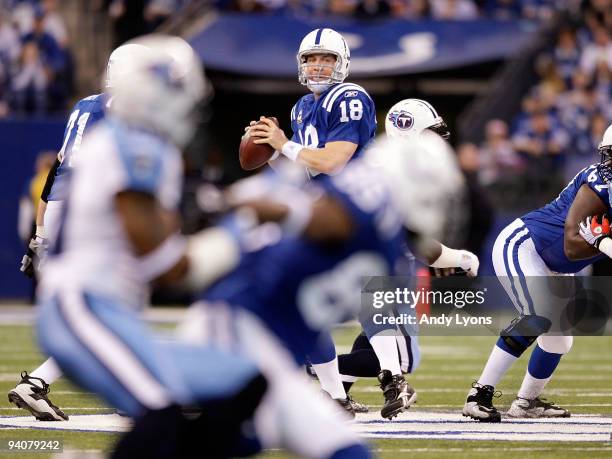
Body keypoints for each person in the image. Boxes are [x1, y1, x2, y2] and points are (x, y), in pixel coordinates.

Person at [181, 131, 464, 456]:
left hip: (277, 348)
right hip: (239, 329)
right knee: (202, 433)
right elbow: (320, 218)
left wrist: (460, 260)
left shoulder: (391, 234)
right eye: (433, 196)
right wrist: (243, 208)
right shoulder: (370, 200)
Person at [11, 42, 148, 422]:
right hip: (86, 212)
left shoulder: (83, 105)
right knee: (113, 308)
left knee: (99, 311)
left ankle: (39, 383)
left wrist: (40, 231)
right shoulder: (125, 109)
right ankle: (118, 392)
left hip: (59, 210)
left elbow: (56, 171)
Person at [246, 27, 378, 413]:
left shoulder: (349, 97)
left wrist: (283, 142)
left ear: (343, 64)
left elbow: (333, 162)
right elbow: (303, 169)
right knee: (300, 303)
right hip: (323, 215)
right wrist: (270, 149)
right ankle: (336, 395)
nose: (318, 66)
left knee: (399, 347)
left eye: (327, 59)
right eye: (311, 59)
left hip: (356, 216)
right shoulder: (302, 107)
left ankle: (384, 376)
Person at [335, 98, 478, 418]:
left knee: (377, 341)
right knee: (403, 359)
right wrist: (460, 257)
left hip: (370, 263)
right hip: (363, 262)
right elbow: (416, 243)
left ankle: (339, 389)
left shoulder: (390, 163)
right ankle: (310, 364)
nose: (438, 139)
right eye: (430, 131)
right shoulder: (390, 168)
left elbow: (412, 239)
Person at [463, 122, 612, 422]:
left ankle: (525, 403)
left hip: (555, 263)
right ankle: (478, 395)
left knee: (559, 340)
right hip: (525, 245)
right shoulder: (600, 183)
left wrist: (604, 241)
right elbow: (573, 245)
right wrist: (603, 242)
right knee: (537, 314)